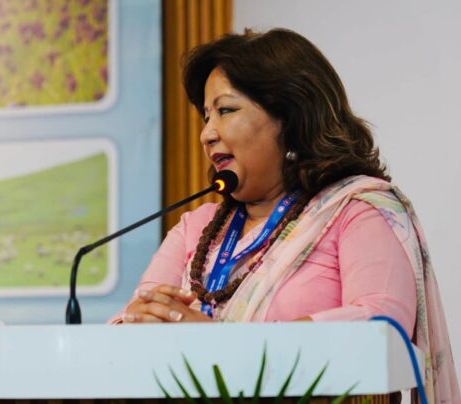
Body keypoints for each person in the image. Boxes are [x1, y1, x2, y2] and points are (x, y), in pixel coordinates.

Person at [110, 28, 459, 403]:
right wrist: (136, 323)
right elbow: (126, 328)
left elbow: (382, 330)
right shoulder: (196, 228)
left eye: (226, 111)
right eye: (206, 116)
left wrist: (220, 344)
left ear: (291, 119)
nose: (206, 134)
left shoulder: (358, 211)